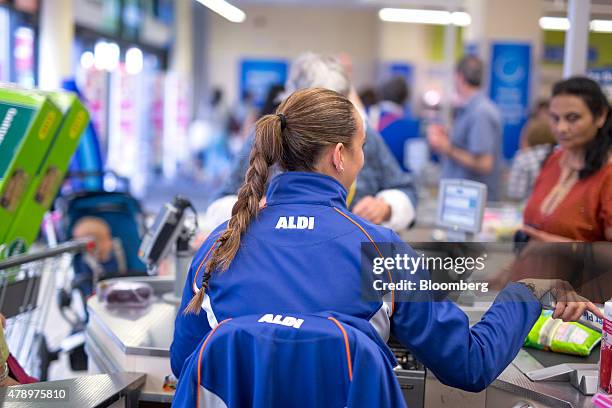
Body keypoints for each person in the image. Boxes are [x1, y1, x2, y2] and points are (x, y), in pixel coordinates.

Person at [171, 88, 598, 394]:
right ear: (340, 156)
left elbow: (185, 366)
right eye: (361, 148)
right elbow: (469, 364)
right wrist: (526, 292)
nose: (361, 159)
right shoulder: (379, 251)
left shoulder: (219, 247)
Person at [202, 53, 417, 234]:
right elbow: (219, 206)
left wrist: (387, 207)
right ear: (291, 99)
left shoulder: (361, 135)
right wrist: (252, 208)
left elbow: (405, 189)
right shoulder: (267, 136)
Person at [522, 77, 612, 243]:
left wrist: (568, 248)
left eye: (573, 118)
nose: (561, 128)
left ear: (600, 116)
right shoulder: (554, 160)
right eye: (555, 118)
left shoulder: (607, 175)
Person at [427, 55, 503, 201]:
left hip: (472, 204)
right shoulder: (470, 109)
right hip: (463, 201)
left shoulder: (480, 112)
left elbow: (484, 163)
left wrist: (446, 147)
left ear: (459, 77)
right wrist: (449, 136)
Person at [369, 76, 420, 172]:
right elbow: (417, 167)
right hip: (397, 184)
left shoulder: (364, 117)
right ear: (405, 98)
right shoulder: (411, 127)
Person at [507, 119, 556, 201]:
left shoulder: (523, 158)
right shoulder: (560, 156)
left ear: (527, 137)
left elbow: (515, 195)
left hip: (527, 208)